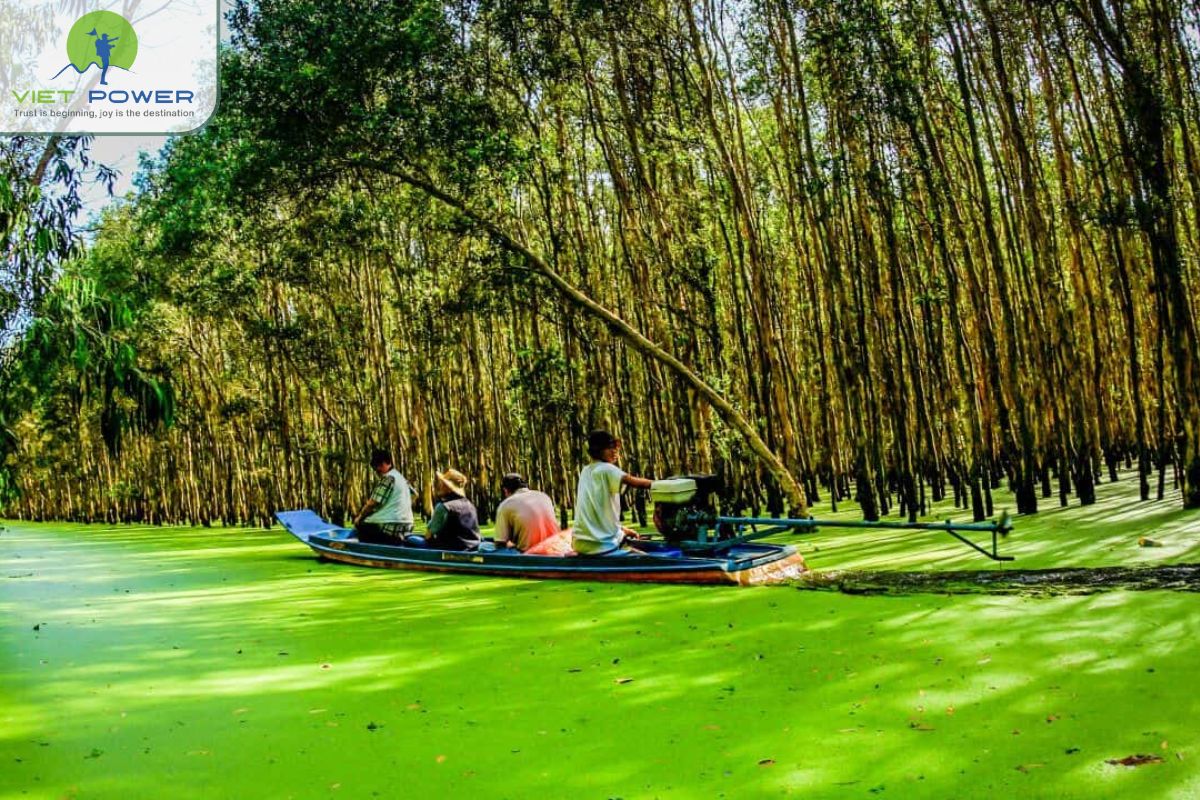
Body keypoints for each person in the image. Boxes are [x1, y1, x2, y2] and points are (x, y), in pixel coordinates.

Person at [572, 430, 653, 556]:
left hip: (580, 544)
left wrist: (622, 530)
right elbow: (636, 482)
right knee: (646, 557)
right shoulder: (607, 469)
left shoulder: (585, 471)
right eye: (610, 448)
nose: (615, 451)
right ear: (598, 450)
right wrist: (663, 485)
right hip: (602, 546)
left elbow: (596, 515)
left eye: (615, 448)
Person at [353, 449, 418, 545]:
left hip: (390, 526)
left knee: (362, 525)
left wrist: (359, 518)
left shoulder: (388, 478)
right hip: (408, 525)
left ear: (384, 464)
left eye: (377, 467)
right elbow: (415, 495)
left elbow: (372, 503)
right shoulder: (401, 478)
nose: (377, 470)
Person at [493, 473, 560, 552]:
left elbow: (500, 543)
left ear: (505, 490)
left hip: (529, 554)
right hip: (555, 549)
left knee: (484, 547)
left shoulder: (506, 505)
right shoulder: (544, 496)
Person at [425, 468, 481, 551]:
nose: (440, 485)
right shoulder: (470, 505)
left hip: (450, 551)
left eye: (443, 483)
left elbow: (428, 535)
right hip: (473, 548)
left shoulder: (444, 507)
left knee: (411, 540)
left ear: (448, 487)